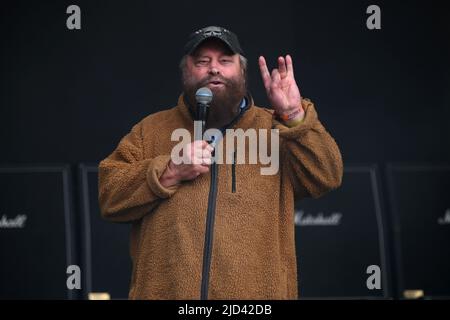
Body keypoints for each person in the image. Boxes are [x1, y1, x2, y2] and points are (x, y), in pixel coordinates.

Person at [98, 26, 343, 300]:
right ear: (185, 72)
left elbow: (327, 175)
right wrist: (169, 171)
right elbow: (109, 196)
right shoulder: (150, 130)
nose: (214, 69)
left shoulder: (275, 130)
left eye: (225, 61)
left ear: (242, 72)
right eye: (202, 61)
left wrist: (293, 115)